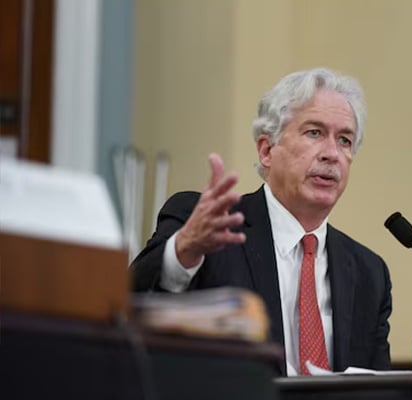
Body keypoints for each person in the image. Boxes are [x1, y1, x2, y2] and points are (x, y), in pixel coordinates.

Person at [130, 68, 392, 376]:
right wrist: (184, 251)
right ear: (267, 150)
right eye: (314, 133)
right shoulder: (208, 225)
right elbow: (130, 304)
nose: (332, 154)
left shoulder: (368, 274)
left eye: (345, 140)